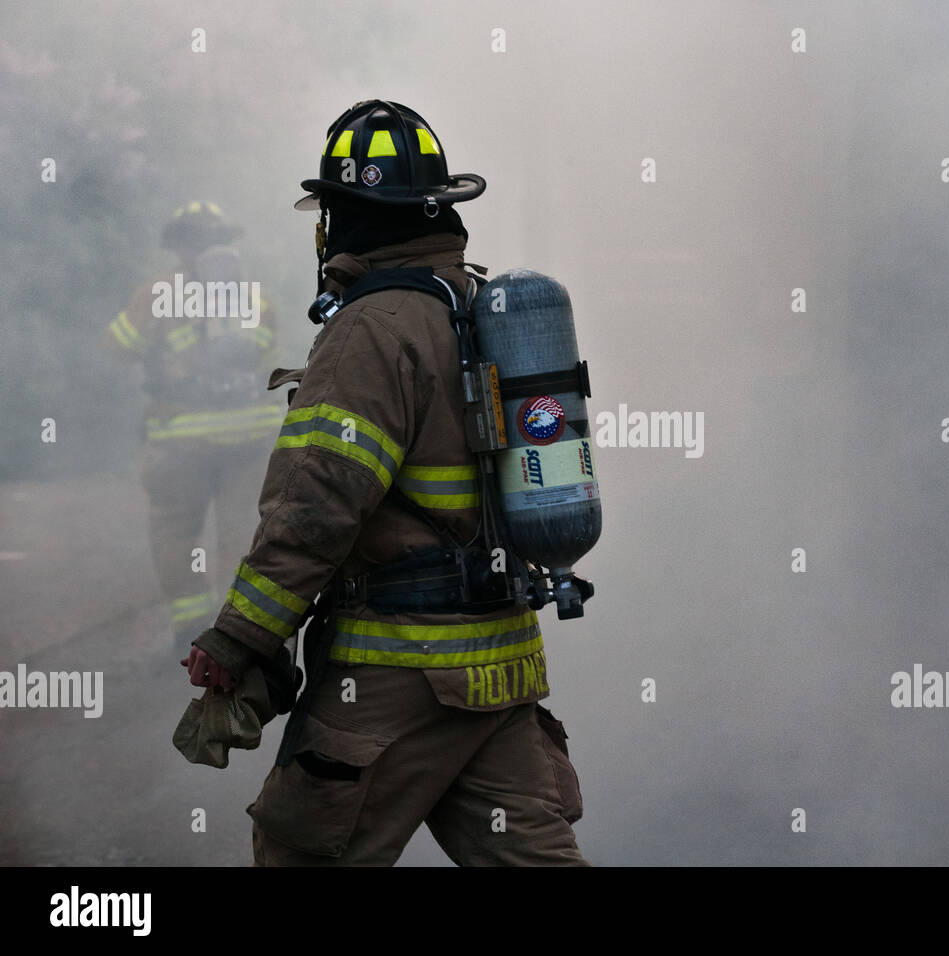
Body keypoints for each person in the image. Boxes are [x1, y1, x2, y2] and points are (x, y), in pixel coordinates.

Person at [179, 100, 588, 866]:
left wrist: (239, 635)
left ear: (342, 217)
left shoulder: (372, 329)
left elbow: (315, 505)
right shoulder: (475, 306)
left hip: (401, 673)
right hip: (499, 667)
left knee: (301, 851)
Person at [107, 202, 281, 651]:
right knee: (241, 530)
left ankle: (189, 628)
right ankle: (238, 630)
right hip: (249, 434)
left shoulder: (157, 293)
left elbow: (119, 346)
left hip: (181, 437)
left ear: (179, 244)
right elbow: (267, 354)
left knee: (175, 529)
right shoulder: (253, 297)